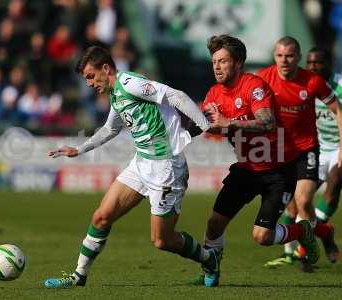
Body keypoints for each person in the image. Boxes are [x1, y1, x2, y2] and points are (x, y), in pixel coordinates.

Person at [44, 46, 214, 288]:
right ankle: (78, 276)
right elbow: (110, 129)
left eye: (91, 76)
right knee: (101, 217)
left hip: (166, 167)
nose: (90, 84)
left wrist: (204, 124)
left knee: (162, 240)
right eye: (86, 79)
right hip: (141, 163)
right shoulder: (116, 94)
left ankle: (209, 259)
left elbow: (175, 96)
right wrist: (79, 149)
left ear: (106, 68)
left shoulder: (130, 83)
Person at [194, 34, 319, 288]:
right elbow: (208, 126)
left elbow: (267, 122)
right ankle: (212, 270)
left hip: (278, 170)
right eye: (214, 61)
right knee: (214, 224)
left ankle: (302, 231)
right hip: (247, 169)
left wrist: (228, 123)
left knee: (262, 237)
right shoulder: (213, 93)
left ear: (238, 62)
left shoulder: (255, 86)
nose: (216, 67)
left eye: (223, 61)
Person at [257, 37, 342, 269]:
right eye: (280, 56)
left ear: (298, 57)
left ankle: (306, 247)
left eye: (290, 56)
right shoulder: (263, 78)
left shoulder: (314, 82)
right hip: (283, 150)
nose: (285, 61)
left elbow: (338, 110)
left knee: (309, 198)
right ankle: (321, 234)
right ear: (275, 56)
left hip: (315, 149)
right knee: (292, 205)